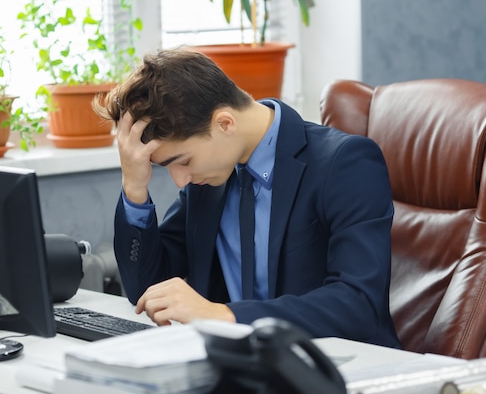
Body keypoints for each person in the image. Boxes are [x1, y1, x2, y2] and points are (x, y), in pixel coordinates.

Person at [92, 48, 401, 348]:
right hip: (242, 370)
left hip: (338, 367)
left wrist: (224, 315)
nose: (180, 180)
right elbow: (145, 289)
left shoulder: (345, 163)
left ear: (225, 123)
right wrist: (134, 184)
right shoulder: (209, 177)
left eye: (183, 161)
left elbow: (358, 304)